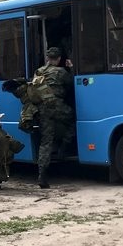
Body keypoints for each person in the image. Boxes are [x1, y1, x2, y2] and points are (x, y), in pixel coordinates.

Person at [32, 46, 75, 189]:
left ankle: (42, 176)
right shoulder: (61, 71)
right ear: (59, 59)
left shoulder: (38, 71)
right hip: (57, 106)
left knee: (46, 141)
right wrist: (71, 68)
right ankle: (63, 148)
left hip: (42, 108)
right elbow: (71, 84)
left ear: (47, 59)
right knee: (74, 120)